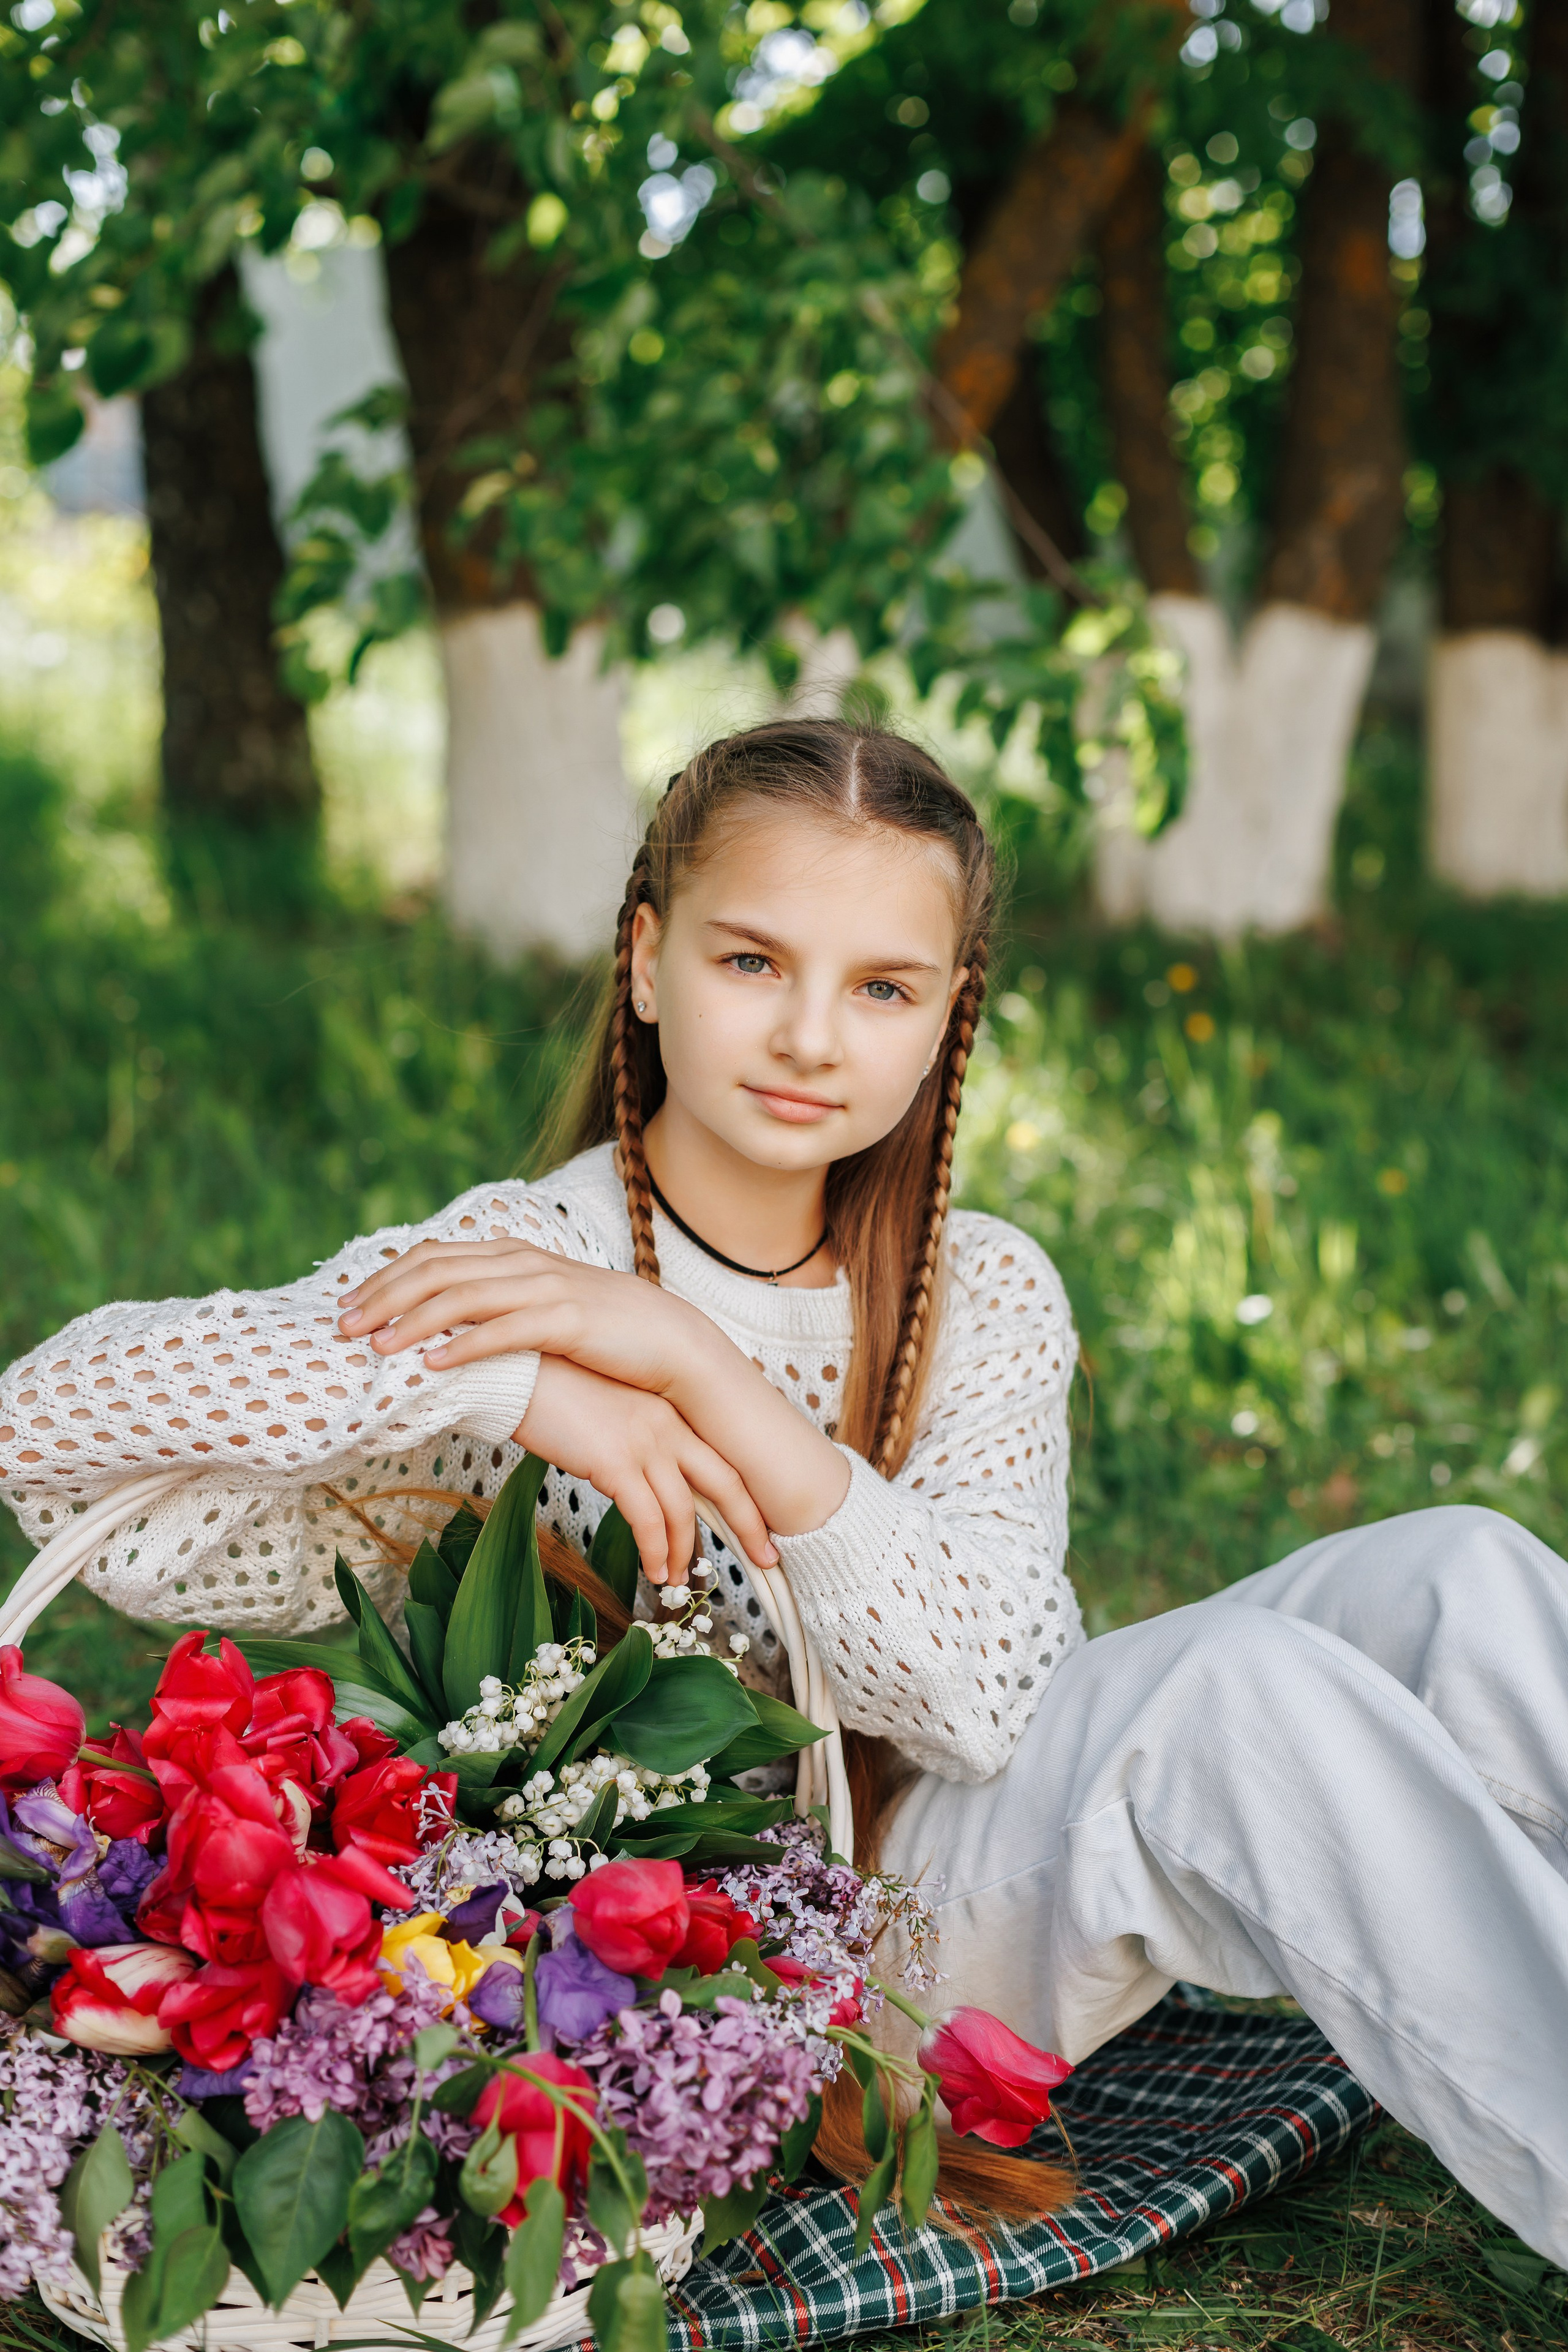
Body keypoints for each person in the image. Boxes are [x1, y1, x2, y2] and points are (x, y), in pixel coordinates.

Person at [2, 720, 1566, 2258]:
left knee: (1461, 1571)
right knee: (1239, 1693)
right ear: (644, 960)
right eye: (751, 962)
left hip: (952, 1826)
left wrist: (697, 1369)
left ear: (949, 1013)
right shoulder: (522, 1261)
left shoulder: (984, 1289)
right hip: (742, 1975)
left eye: (880, 988)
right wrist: (512, 1382)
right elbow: (51, 1432)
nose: (812, 1036)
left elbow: (980, 1695)